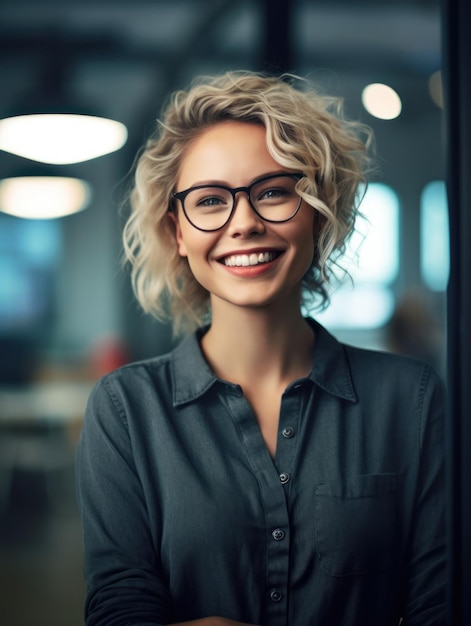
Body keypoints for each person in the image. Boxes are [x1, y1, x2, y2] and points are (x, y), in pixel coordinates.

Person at [76, 71, 446, 626]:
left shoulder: (412, 401)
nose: (244, 223)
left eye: (274, 192)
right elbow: (119, 606)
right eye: (209, 200)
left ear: (318, 212)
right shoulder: (126, 410)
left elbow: (440, 604)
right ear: (178, 230)